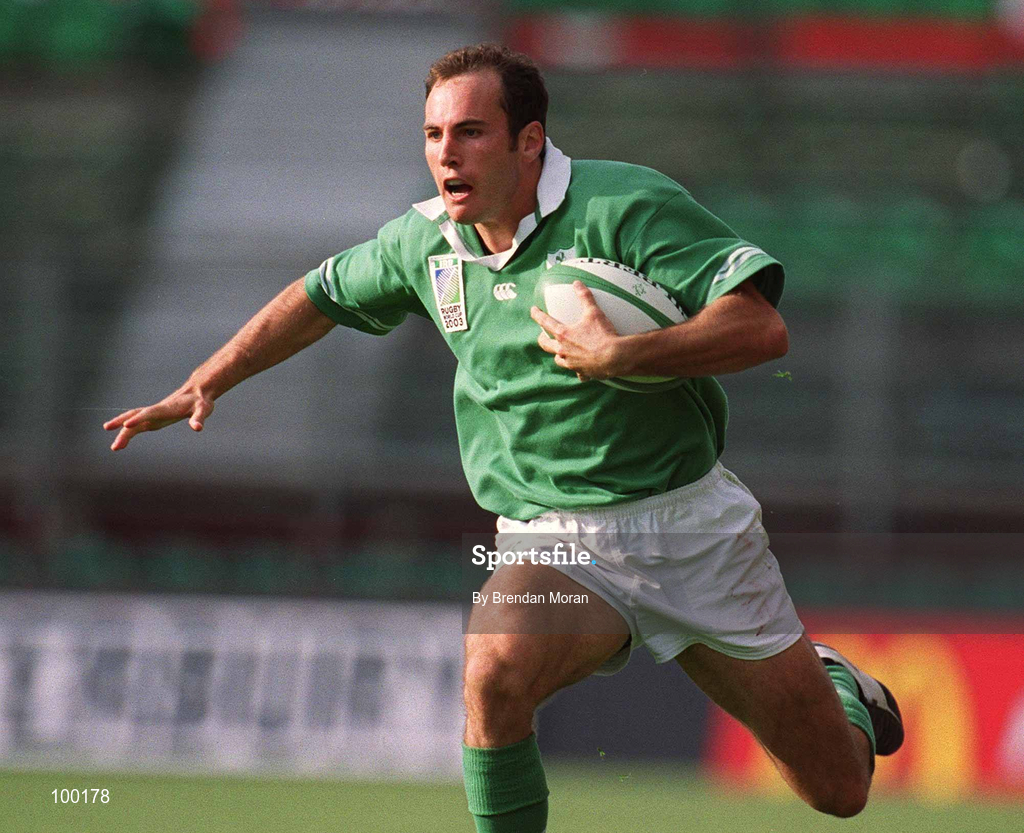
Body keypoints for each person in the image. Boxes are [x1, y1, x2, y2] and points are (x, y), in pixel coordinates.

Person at [104, 43, 904, 831]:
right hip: (552, 537)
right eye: (432, 135)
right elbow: (318, 294)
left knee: (837, 790)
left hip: (693, 529)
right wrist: (210, 377)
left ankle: (836, 686)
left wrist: (623, 354)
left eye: (470, 132)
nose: (445, 153)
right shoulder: (422, 243)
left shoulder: (623, 205)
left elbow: (761, 328)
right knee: (492, 673)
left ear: (529, 141)